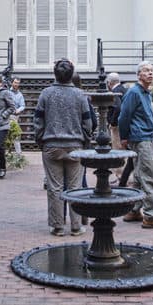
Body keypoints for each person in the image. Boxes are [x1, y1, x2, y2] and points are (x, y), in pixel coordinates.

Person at [34, 59, 93, 236]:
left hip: (52, 145)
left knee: (54, 187)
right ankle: (76, 226)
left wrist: (41, 140)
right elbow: (88, 122)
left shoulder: (46, 93)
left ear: (55, 74)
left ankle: (57, 226)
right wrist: (85, 140)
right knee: (75, 188)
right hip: (75, 145)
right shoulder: (80, 95)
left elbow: (38, 121)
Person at [118, 61, 153, 229]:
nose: (150, 73)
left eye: (152, 71)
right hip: (141, 138)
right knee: (149, 176)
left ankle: (134, 210)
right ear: (139, 75)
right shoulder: (134, 92)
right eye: (146, 71)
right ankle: (151, 216)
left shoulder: (146, 92)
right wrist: (124, 137)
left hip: (148, 137)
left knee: (140, 176)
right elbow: (123, 116)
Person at [106, 72, 126, 148]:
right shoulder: (124, 90)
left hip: (117, 126)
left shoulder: (115, 92)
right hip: (124, 124)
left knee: (117, 149)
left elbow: (118, 107)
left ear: (109, 82)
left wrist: (113, 123)